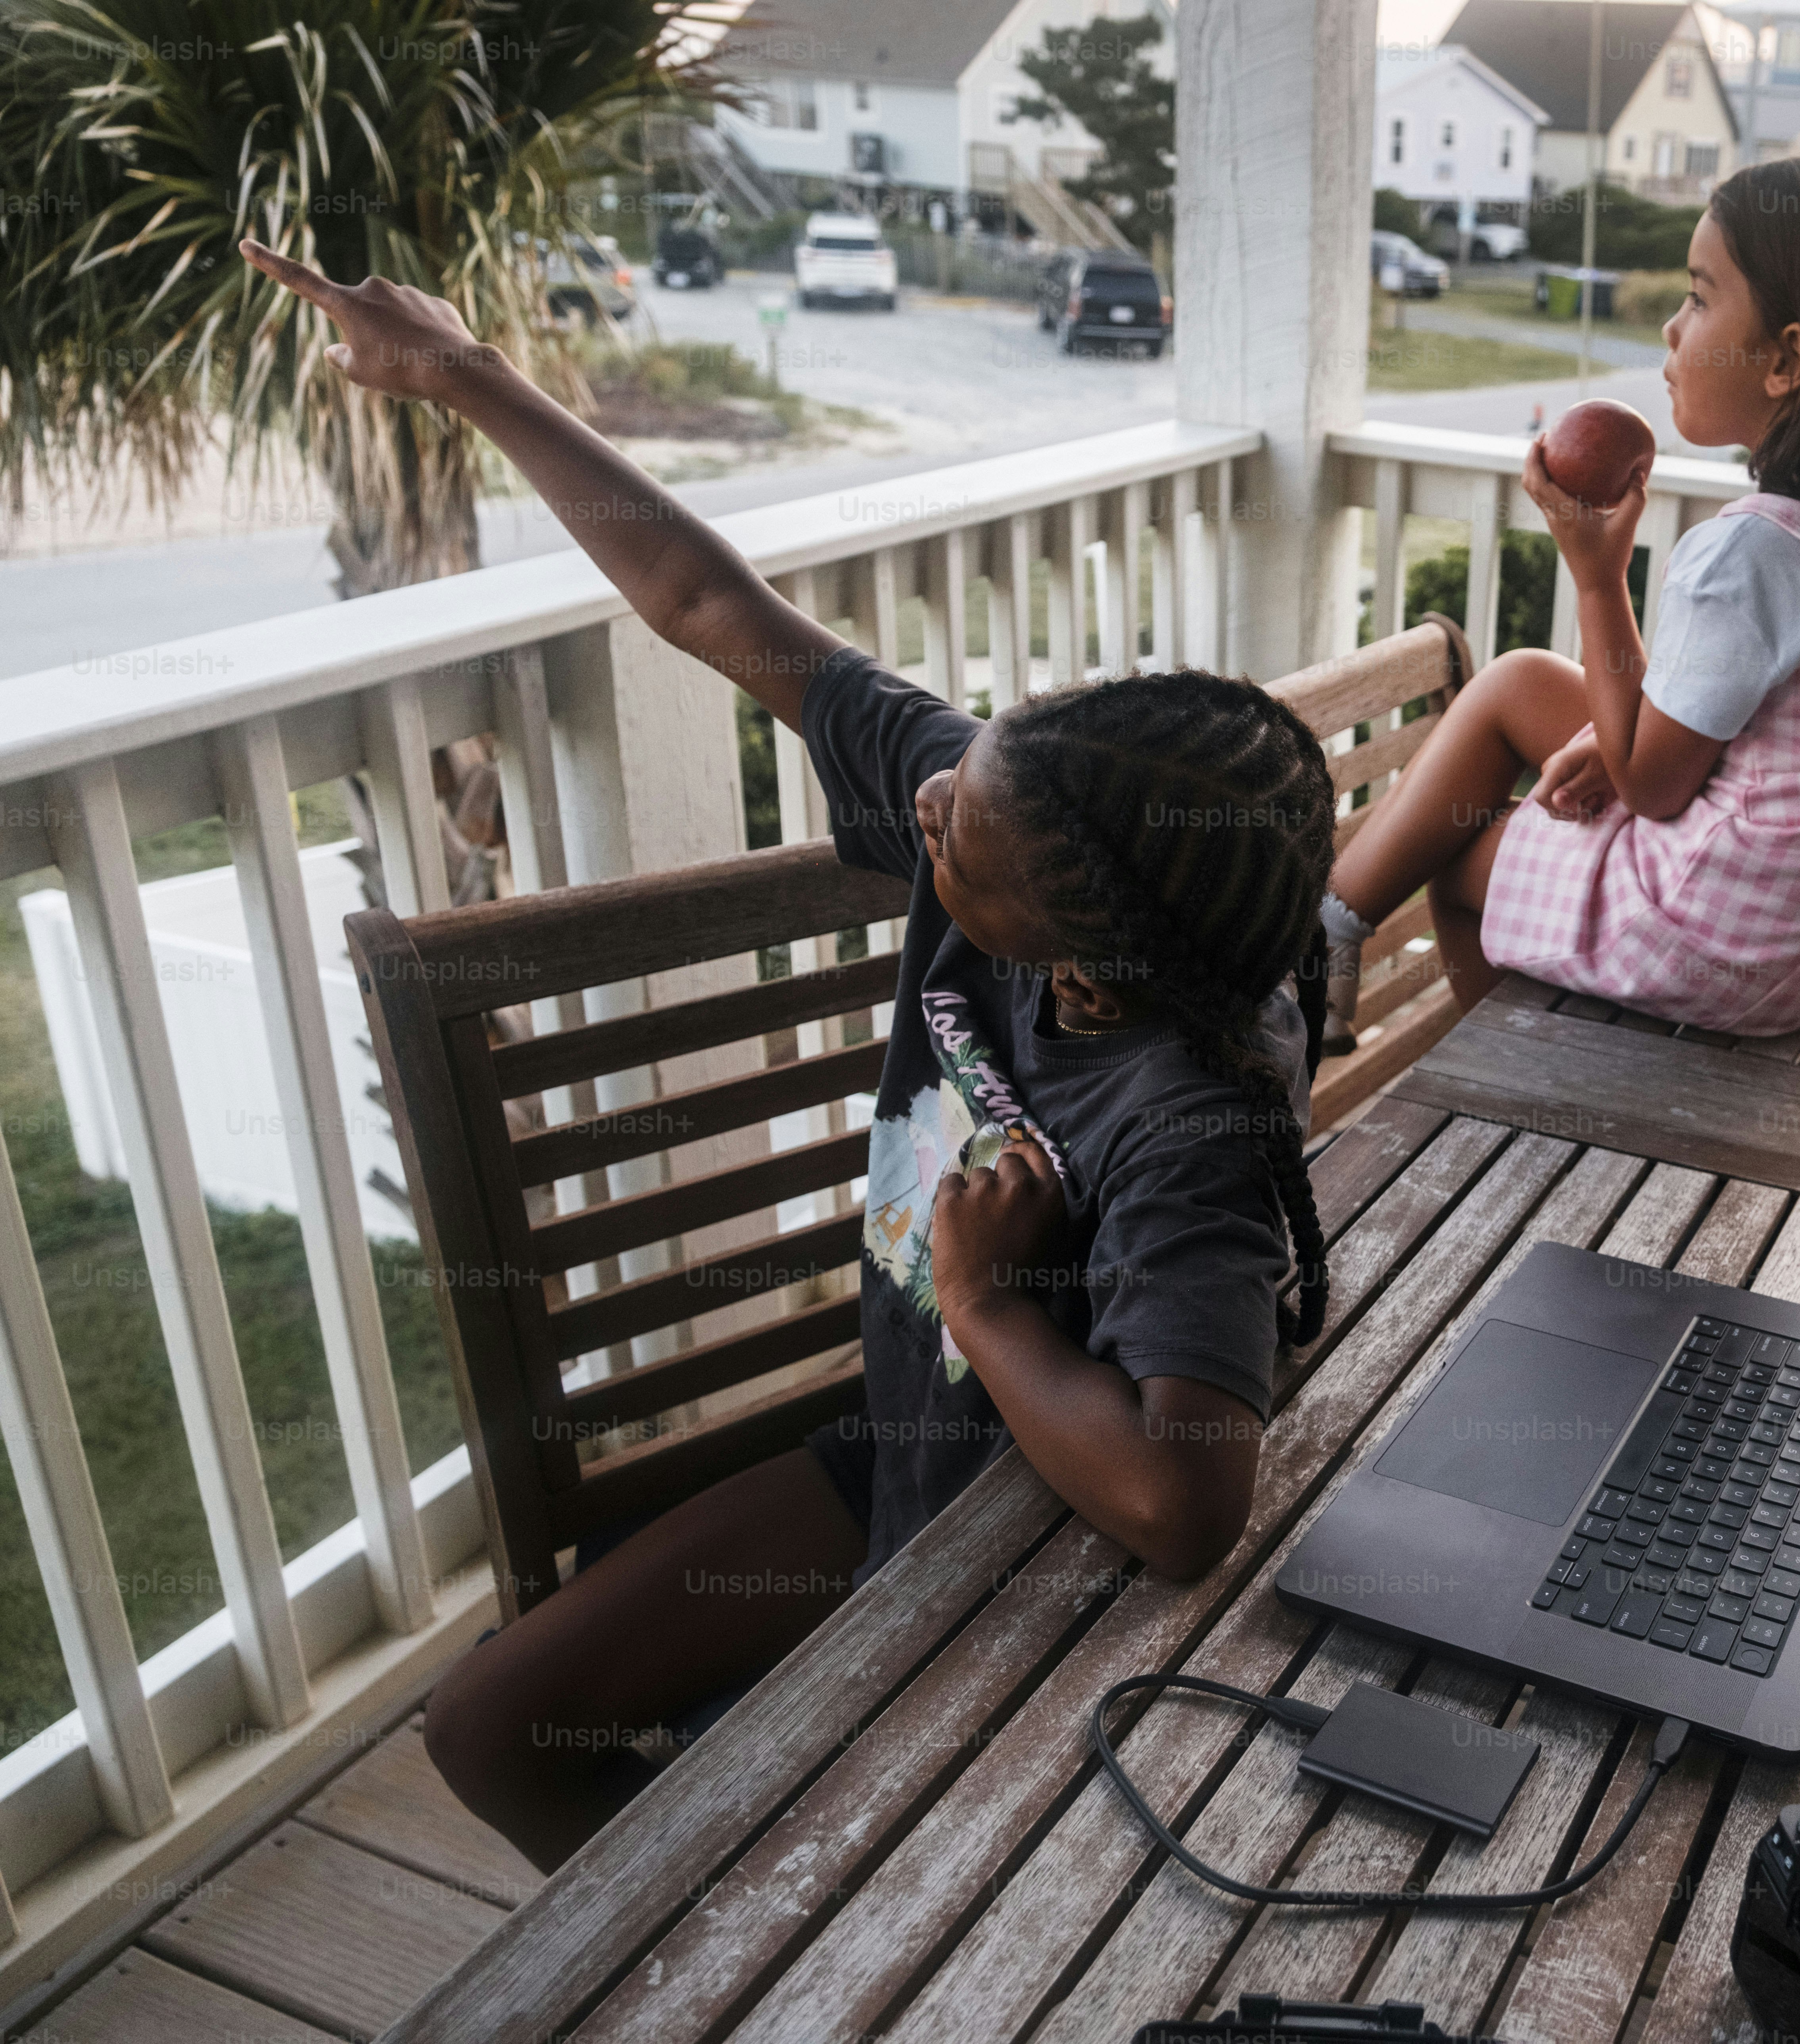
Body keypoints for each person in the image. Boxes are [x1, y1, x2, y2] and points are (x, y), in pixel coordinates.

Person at [238, 241, 1335, 1871]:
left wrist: (975, 1301)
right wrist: (460, 373)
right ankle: (708, 1944)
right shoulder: (1033, 824)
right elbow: (704, 602)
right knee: (489, 1726)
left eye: (965, 834)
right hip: (903, 1463)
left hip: (1050, 1583)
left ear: (1092, 946)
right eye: (964, 778)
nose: (936, 809)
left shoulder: (1185, 1113)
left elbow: (1185, 1509)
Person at [1318, 158, 1800, 1049]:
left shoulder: (1757, 551)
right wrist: (1610, 736)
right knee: (1520, 683)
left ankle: (1494, 1102)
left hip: (1733, 946)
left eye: (1700, 298)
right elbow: (1753, 732)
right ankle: (1326, 931)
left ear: (1785, 360)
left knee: (1472, 865)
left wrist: (1597, 573)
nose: (1672, 328)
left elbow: (1654, 787)